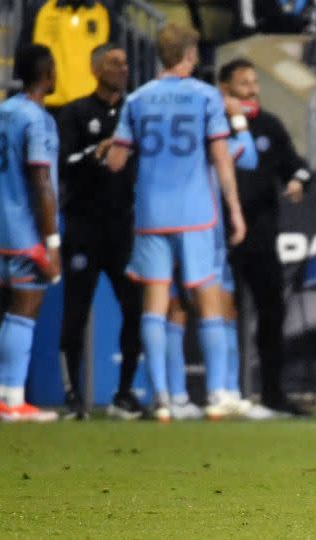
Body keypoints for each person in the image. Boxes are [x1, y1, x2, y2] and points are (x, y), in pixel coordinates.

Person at [107, 24, 247, 422]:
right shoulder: (205, 97)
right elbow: (221, 158)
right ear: (190, 54)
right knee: (207, 298)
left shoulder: (137, 99)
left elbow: (117, 162)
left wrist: (109, 150)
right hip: (196, 213)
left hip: (151, 213)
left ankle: (163, 399)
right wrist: (234, 210)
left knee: (154, 303)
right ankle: (219, 394)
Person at [55, 43, 142, 421]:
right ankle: (73, 397)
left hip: (123, 228)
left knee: (135, 309)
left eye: (124, 63)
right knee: (76, 310)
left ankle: (124, 394)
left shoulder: (134, 112)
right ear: (95, 69)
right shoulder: (75, 113)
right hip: (83, 227)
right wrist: (97, 152)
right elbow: (64, 163)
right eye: (113, 62)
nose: (122, 68)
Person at [163, 91, 261, 421]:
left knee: (173, 309)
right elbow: (247, 157)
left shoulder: (174, 146)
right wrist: (237, 119)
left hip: (165, 225)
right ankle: (220, 392)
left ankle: (173, 396)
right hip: (204, 233)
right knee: (212, 307)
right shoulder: (212, 143)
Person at [222, 58, 312, 417]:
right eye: (244, 84)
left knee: (271, 315)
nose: (253, 90)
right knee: (220, 316)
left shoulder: (269, 126)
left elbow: (297, 165)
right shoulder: (213, 125)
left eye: (254, 83)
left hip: (261, 236)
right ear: (225, 88)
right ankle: (223, 391)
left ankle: (273, 394)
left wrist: (298, 181)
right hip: (220, 237)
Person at [0, 44, 61, 422]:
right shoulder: (37, 120)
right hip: (28, 230)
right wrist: (51, 242)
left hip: (4, 224)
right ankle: (13, 401)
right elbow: (41, 180)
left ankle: (4, 394)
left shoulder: (2, 112)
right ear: (47, 74)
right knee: (26, 308)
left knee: (15, 310)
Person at [16, 0, 118, 113]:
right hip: (48, 106)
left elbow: (115, 61)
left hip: (91, 107)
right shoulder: (40, 9)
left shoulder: (104, 13)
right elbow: (23, 56)